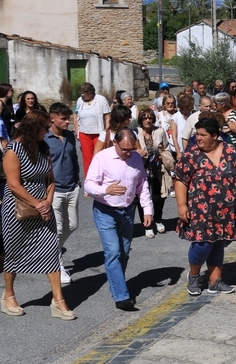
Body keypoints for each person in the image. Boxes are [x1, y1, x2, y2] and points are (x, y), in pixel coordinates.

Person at [1, 111, 75, 320]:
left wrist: (48, 201)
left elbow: (51, 178)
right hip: (18, 209)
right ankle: (8, 295)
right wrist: (37, 204)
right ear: (34, 129)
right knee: (14, 251)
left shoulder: (43, 147)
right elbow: (14, 185)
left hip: (43, 206)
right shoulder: (12, 150)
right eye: (44, 128)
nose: (47, 131)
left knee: (51, 250)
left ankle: (58, 300)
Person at [175, 117, 236, 295]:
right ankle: (194, 276)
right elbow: (180, 180)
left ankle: (215, 281)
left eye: (202, 135)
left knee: (219, 244)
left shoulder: (230, 151)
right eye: (196, 134)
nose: (198, 138)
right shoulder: (191, 154)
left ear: (215, 135)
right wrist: (182, 205)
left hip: (226, 209)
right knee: (202, 244)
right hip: (200, 210)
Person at [85, 129, 153, 311]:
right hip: (105, 211)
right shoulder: (102, 158)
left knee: (124, 252)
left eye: (131, 149)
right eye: (124, 149)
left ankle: (116, 285)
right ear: (115, 143)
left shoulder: (136, 158)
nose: (128, 153)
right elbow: (89, 184)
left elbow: (142, 185)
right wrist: (105, 190)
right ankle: (122, 296)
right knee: (113, 252)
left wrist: (147, 210)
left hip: (128, 211)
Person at [46, 103, 80, 285]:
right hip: (54, 189)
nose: (68, 122)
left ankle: (51, 251)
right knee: (57, 228)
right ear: (52, 118)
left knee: (72, 225)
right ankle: (57, 263)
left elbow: (74, 158)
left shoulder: (69, 136)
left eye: (68, 118)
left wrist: (77, 180)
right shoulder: (44, 138)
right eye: (63, 118)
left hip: (71, 187)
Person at [136, 108, 170, 239]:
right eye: (144, 117)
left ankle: (158, 219)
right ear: (140, 119)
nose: (148, 120)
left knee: (158, 196)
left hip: (157, 168)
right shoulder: (136, 132)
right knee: (142, 197)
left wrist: (162, 156)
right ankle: (147, 225)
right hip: (141, 168)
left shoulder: (159, 131)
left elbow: (166, 148)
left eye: (150, 117)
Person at [74, 83, 111, 177]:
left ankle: (100, 178)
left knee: (99, 157)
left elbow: (107, 118)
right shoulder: (79, 100)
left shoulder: (101, 99)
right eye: (81, 93)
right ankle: (89, 180)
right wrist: (77, 131)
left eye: (84, 93)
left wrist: (107, 134)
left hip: (98, 134)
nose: (82, 95)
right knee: (87, 159)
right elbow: (76, 115)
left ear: (91, 93)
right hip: (84, 133)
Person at [170, 93, 194, 161]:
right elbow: (174, 137)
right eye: (190, 106)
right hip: (179, 149)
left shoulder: (191, 116)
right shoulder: (175, 118)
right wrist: (178, 152)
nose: (192, 107)